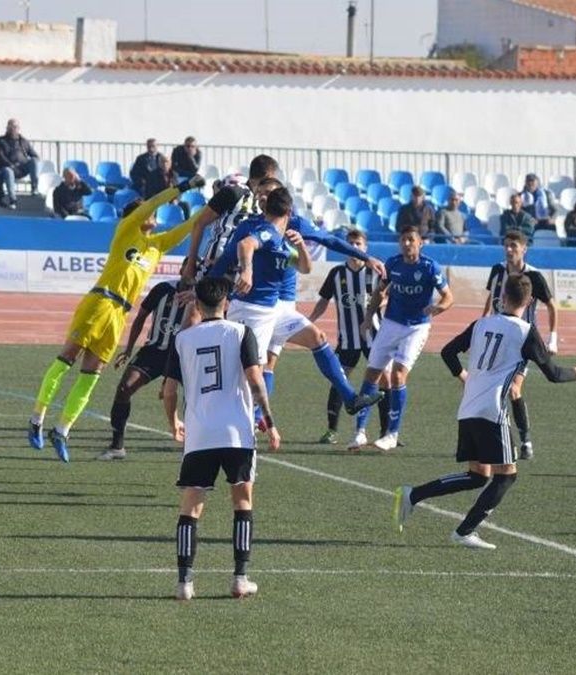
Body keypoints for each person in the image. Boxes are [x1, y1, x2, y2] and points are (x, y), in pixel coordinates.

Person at [393, 274, 576, 550]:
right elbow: (554, 374)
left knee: (478, 475)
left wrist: (464, 377)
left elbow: (448, 351)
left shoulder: (481, 323)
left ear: (503, 297)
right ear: (530, 301)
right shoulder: (526, 331)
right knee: (507, 475)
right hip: (492, 411)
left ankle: (413, 495)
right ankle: (464, 531)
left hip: (468, 408)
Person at [28, 175, 208, 462]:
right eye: (149, 213)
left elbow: (190, 226)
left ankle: (61, 430)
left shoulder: (157, 245)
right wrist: (184, 187)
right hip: (99, 302)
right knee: (67, 360)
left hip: (119, 314)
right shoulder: (126, 231)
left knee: (91, 376)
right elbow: (152, 203)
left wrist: (217, 205)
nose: (154, 217)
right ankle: (37, 419)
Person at [204, 186, 383, 435]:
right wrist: (240, 273)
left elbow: (329, 241)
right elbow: (240, 248)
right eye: (261, 194)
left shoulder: (295, 225)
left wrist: (364, 258)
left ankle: (350, 398)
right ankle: (227, 421)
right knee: (247, 374)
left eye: (267, 194)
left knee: (317, 338)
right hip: (251, 310)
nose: (263, 198)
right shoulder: (261, 229)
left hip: (275, 308)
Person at [162, 275, 279, 601]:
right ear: (226, 303)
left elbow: (168, 391)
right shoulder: (241, 332)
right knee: (242, 502)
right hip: (237, 435)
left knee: (190, 508)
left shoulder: (182, 339)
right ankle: (240, 578)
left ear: (196, 304)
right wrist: (269, 421)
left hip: (199, 435)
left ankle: (184, 583)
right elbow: (255, 381)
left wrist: (173, 423)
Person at [354, 225, 455, 452]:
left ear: (420, 243)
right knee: (372, 373)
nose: (407, 243)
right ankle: (359, 432)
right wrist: (369, 316)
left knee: (398, 375)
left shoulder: (430, 267)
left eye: (411, 239)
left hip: (416, 327)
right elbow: (381, 291)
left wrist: (438, 308)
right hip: (390, 323)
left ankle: (392, 433)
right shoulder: (393, 264)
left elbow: (449, 297)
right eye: (403, 239)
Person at [306, 229, 390, 446]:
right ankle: (331, 430)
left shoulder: (377, 273)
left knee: (383, 382)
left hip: (375, 337)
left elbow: (389, 297)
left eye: (358, 243)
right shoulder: (336, 274)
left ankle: (386, 431)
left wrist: (378, 304)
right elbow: (324, 300)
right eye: (351, 243)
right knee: (338, 380)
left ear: (365, 248)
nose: (355, 247)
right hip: (347, 339)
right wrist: (310, 320)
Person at [100, 274, 191, 461]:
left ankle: (191, 452)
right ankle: (117, 447)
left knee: (192, 401)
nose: (191, 272)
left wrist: (169, 376)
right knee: (124, 389)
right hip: (153, 352)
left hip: (184, 357)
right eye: (188, 266)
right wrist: (128, 350)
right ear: (182, 269)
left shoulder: (201, 296)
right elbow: (141, 317)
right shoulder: (162, 289)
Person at [482, 231, 556, 460]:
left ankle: (525, 441)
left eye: (514, 245)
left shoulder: (534, 276)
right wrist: (482, 322)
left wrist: (553, 337)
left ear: (524, 249)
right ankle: (494, 438)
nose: (509, 249)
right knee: (490, 391)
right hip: (496, 338)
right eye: (506, 245)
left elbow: (552, 305)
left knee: (514, 390)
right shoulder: (497, 270)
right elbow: (490, 298)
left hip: (521, 341)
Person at [181, 154, 278, 283]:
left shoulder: (265, 202)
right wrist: (191, 263)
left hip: (241, 268)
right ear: (268, 175)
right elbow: (199, 224)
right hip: (216, 263)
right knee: (202, 302)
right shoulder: (234, 192)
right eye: (273, 178)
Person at [0, 118, 40, 207]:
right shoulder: (0, 141)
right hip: (7, 168)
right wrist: (10, 165)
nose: (12, 129)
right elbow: (0, 156)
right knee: (8, 171)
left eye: (15, 127)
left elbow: (34, 155)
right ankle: (12, 199)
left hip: (22, 168)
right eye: (10, 126)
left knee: (33, 161)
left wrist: (29, 161)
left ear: (18, 128)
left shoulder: (23, 141)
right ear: (7, 128)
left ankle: (34, 188)